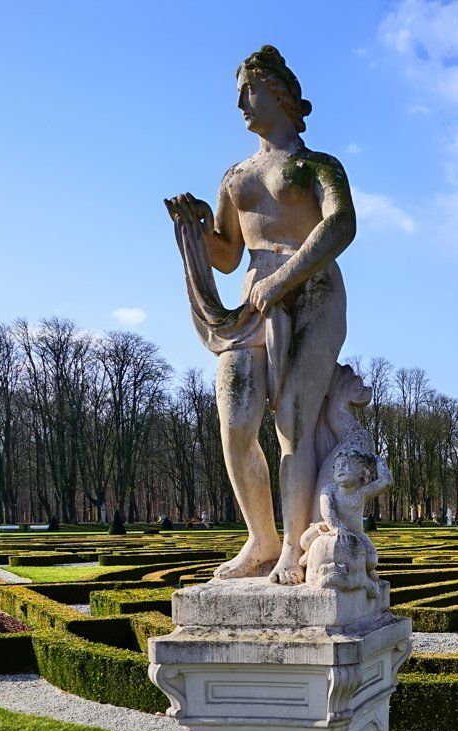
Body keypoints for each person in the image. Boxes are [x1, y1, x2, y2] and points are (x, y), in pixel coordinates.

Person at [165, 45, 357, 583]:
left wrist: (283, 279)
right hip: (252, 300)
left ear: (279, 94)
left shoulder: (317, 165)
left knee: (293, 419)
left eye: (248, 92)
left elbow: (340, 227)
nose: (241, 105)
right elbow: (227, 256)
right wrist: (198, 229)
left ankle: (296, 547)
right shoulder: (236, 175)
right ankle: (262, 539)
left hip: (314, 292)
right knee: (235, 424)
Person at [300, 449, 392, 596]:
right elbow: (327, 510)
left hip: (355, 532)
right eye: (338, 465)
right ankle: (308, 554)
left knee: (372, 561)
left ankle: (363, 572)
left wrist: (379, 461)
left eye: (347, 465)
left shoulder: (362, 492)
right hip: (329, 527)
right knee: (304, 540)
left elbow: (386, 482)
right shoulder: (329, 490)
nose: (341, 468)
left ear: (362, 473)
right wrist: (336, 527)